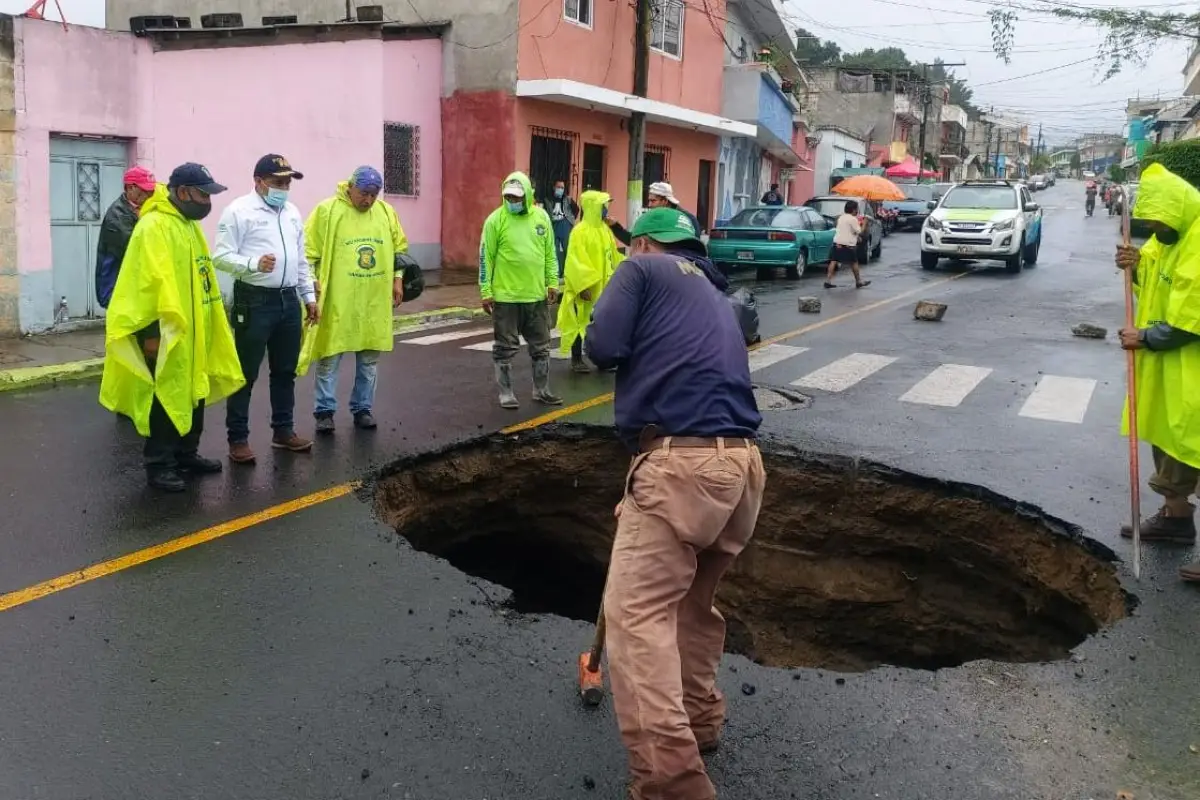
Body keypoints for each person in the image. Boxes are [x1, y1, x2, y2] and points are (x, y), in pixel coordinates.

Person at [584, 207, 764, 800]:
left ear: (642, 241)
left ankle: (670, 785)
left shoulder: (641, 270)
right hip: (740, 465)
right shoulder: (714, 291)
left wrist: (659, 480)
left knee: (637, 619)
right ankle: (701, 719)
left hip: (679, 463)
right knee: (690, 605)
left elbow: (602, 347)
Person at [99, 163, 245, 492]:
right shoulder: (153, 227)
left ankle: (186, 454)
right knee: (165, 396)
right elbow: (143, 285)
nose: (207, 201)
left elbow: (200, 278)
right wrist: (150, 336)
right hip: (163, 332)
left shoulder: (187, 226)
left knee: (194, 390)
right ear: (182, 192)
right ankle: (160, 464)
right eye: (203, 194)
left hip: (193, 330)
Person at [1113, 163, 1200, 583]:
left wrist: (1145, 337)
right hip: (1173, 370)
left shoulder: (1198, 242)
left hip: (1189, 362)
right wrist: (1135, 265)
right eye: (1146, 222)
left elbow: (1189, 321)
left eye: (1156, 222)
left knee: (1196, 448)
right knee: (1170, 442)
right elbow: (1155, 283)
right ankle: (1176, 519)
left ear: (1176, 212)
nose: (1151, 229)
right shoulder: (1168, 239)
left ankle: (1178, 516)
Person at [212, 154, 318, 464]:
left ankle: (283, 432)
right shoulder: (238, 212)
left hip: (287, 301)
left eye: (287, 182)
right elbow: (220, 256)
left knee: (285, 371)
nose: (284, 188)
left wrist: (308, 296)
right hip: (254, 300)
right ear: (259, 182)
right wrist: (252, 264)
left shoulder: (292, 213)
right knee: (244, 373)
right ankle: (238, 439)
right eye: (278, 182)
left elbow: (300, 261)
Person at [300, 166, 408, 433]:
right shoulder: (328, 211)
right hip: (338, 298)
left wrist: (397, 278)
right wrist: (310, 286)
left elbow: (399, 249)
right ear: (350, 187)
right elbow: (307, 251)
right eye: (364, 193)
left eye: (373, 194)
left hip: (373, 298)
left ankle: (363, 408)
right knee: (330, 355)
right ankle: (324, 411)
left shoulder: (385, 212)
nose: (368, 200)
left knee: (369, 359)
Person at [478, 172, 562, 409]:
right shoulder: (495, 220)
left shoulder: (542, 217)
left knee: (542, 346)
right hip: (506, 298)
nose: (512, 202)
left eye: (516, 198)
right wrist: (486, 290)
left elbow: (549, 254)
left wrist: (552, 282)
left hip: (535, 296)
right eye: (508, 198)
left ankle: (541, 390)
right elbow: (486, 257)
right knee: (505, 348)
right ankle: (506, 393)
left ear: (527, 195)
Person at [557, 190, 622, 373]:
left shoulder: (605, 230)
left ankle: (602, 359)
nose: (605, 209)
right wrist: (582, 286)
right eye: (602, 205)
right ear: (593, 206)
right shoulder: (580, 232)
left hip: (604, 286)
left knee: (602, 324)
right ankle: (576, 359)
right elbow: (575, 261)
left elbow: (613, 256)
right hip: (586, 288)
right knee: (579, 321)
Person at [95, 166, 156, 310]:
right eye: (145, 191)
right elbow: (137, 249)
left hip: (133, 287)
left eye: (151, 191)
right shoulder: (116, 217)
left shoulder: (143, 209)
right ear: (130, 188)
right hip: (116, 286)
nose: (149, 195)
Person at [826, 199, 870, 290]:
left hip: (837, 243)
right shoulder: (853, 219)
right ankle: (858, 281)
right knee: (854, 262)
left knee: (833, 261)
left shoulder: (841, 217)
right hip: (848, 245)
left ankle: (828, 281)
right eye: (857, 209)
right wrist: (864, 224)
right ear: (853, 210)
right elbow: (859, 231)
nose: (857, 211)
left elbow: (846, 230)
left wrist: (856, 237)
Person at [548, 178, 579, 281]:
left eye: (562, 187)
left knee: (568, 250)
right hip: (553, 226)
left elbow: (577, 209)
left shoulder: (568, 199)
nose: (560, 189)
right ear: (554, 188)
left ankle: (568, 273)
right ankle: (557, 273)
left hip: (565, 225)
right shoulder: (548, 199)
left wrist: (571, 219)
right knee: (554, 251)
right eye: (558, 187)